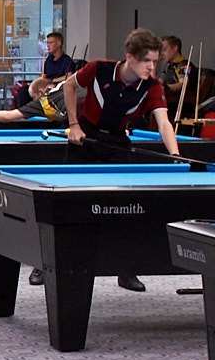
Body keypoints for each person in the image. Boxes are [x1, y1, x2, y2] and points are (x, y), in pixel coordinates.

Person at [61, 29, 183, 291]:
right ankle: (45, 264)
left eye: (155, 62)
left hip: (116, 142)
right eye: (147, 61)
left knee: (127, 206)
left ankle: (126, 269)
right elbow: (69, 86)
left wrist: (175, 155)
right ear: (130, 57)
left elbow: (164, 122)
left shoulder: (152, 86)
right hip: (85, 137)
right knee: (66, 204)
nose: (152, 68)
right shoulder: (99, 69)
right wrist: (73, 125)